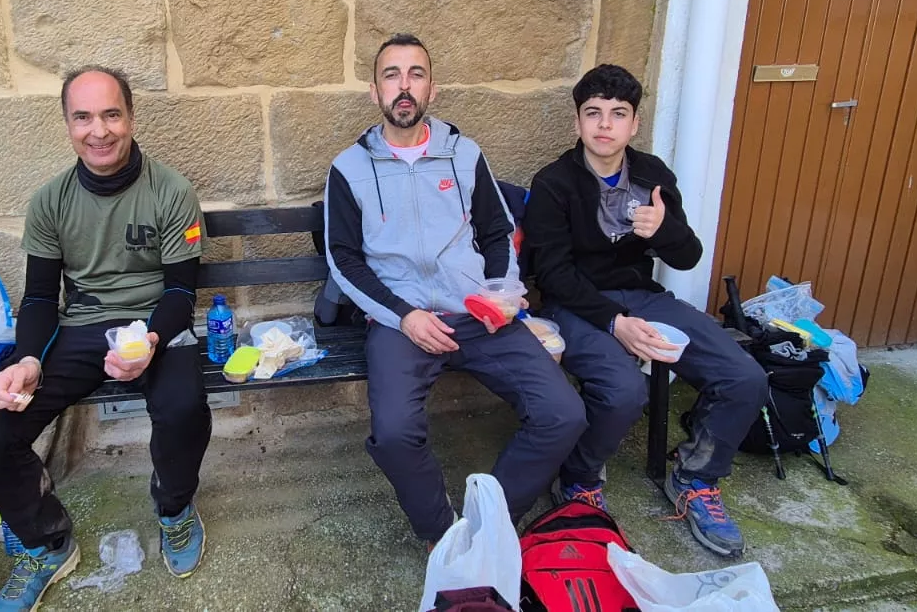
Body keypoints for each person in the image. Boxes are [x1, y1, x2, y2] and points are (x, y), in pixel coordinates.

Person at [323, 33, 587, 545]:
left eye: (415, 74)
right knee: (396, 435)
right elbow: (344, 259)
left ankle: (490, 525)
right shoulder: (348, 168)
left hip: (479, 314)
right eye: (391, 75)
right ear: (374, 91)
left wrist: (501, 293)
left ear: (432, 89)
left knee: (564, 414)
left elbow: (497, 231)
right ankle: (442, 536)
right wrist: (404, 315)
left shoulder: (465, 154)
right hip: (402, 322)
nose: (404, 87)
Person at [0, 66, 211, 611]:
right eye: (83, 117)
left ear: (130, 117)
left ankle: (173, 507)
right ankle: (47, 541)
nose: (98, 130)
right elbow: (37, 299)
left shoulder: (171, 190)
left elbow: (179, 293)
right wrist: (27, 357)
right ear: (68, 125)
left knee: (184, 406)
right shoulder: (50, 202)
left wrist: (148, 341)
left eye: (110, 114)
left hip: (156, 324)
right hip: (81, 328)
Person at [523, 64, 767, 558]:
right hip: (579, 307)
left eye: (618, 114)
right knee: (623, 389)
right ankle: (580, 477)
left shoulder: (653, 175)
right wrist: (614, 322)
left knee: (744, 377)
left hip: (646, 299)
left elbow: (688, 256)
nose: (605, 125)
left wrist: (665, 230)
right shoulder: (554, 183)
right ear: (577, 123)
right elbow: (551, 274)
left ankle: (696, 478)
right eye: (593, 113)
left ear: (634, 124)